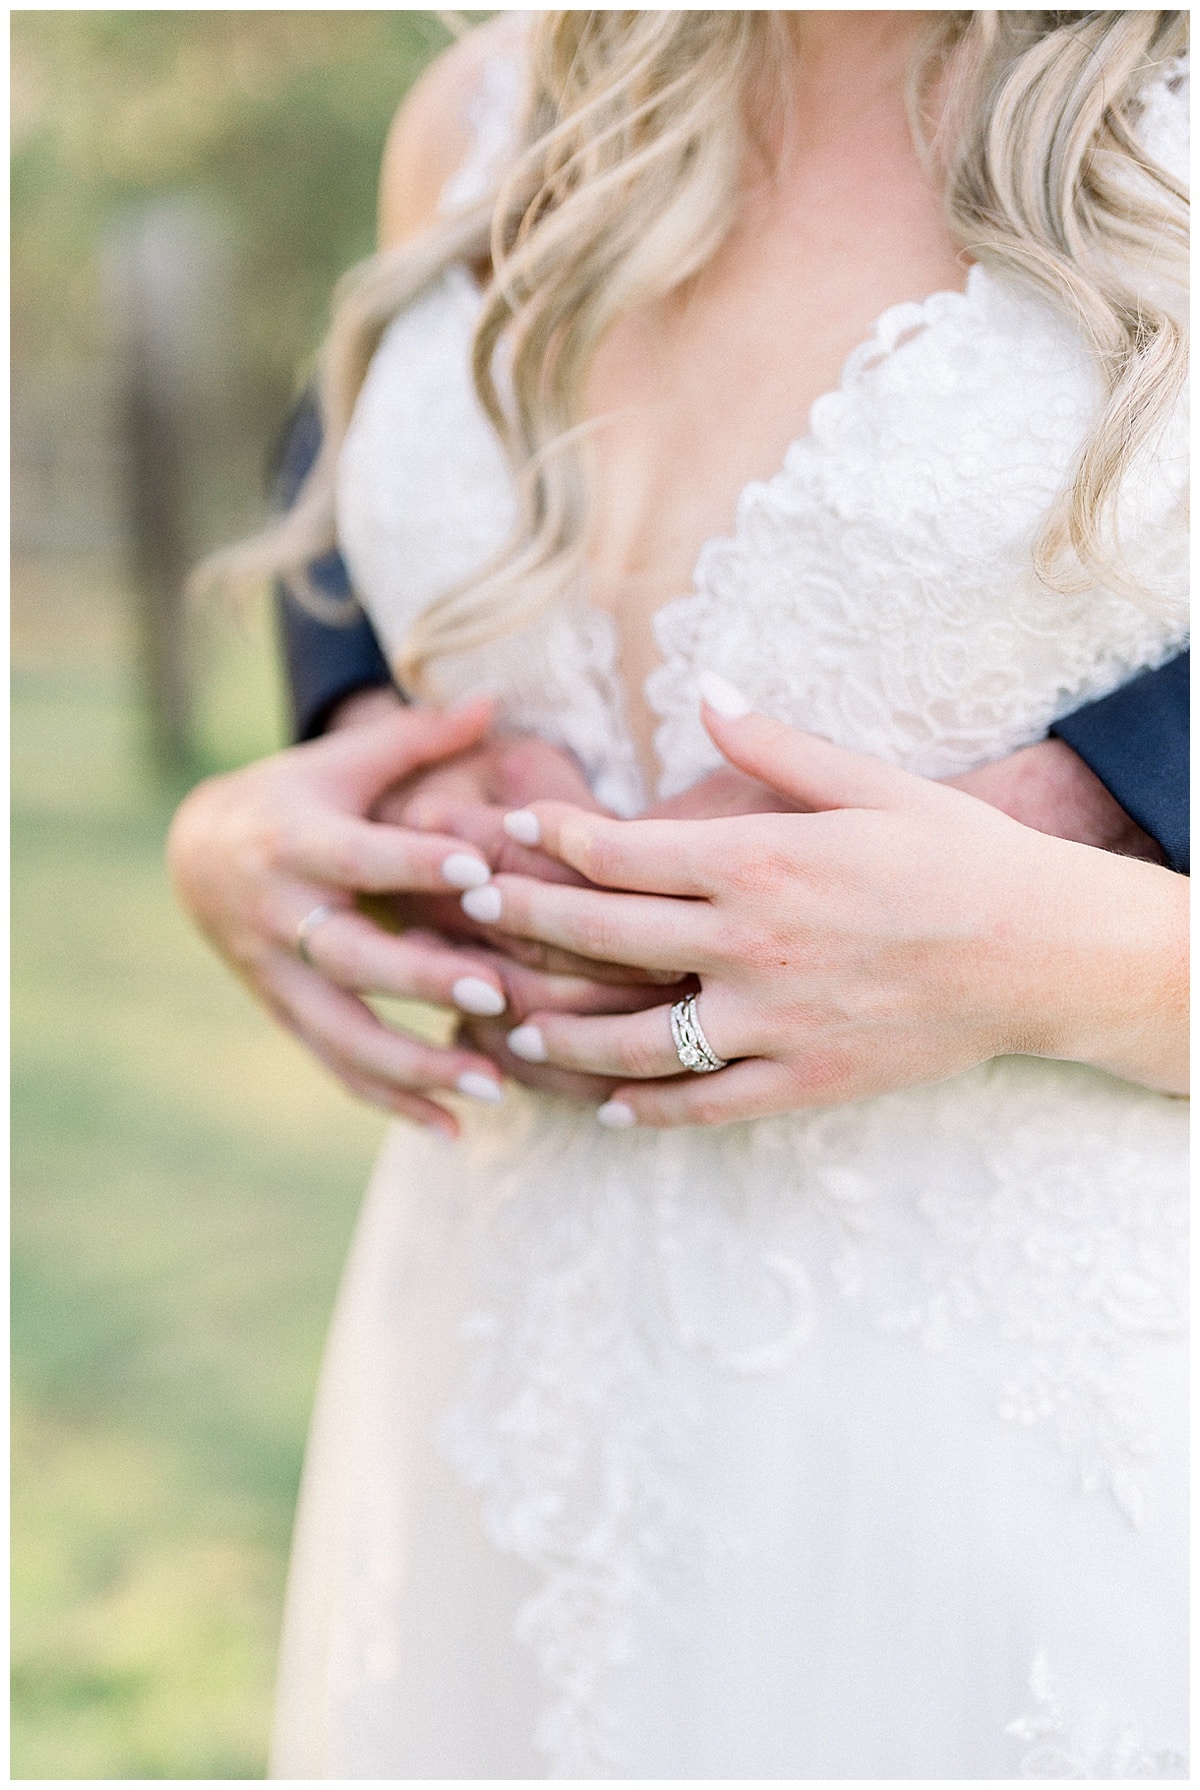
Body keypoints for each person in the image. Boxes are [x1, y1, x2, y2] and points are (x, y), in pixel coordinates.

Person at [168, 11, 1189, 1776]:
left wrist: (1055, 950)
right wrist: (337, 771)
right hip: (502, 1381)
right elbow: (362, 482)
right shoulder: (489, 104)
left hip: (1025, 1455)